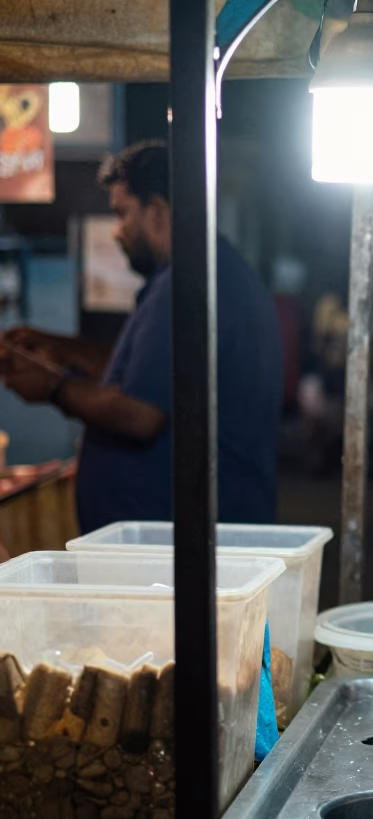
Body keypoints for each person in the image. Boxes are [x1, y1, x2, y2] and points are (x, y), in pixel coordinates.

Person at [0, 140, 283, 532]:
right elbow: (147, 378)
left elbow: (139, 412)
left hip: (177, 543)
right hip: (179, 533)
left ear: (157, 211)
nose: (117, 232)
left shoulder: (187, 283)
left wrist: (52, 387)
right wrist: (58, 349)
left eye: (122, 214)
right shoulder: (206, 272)